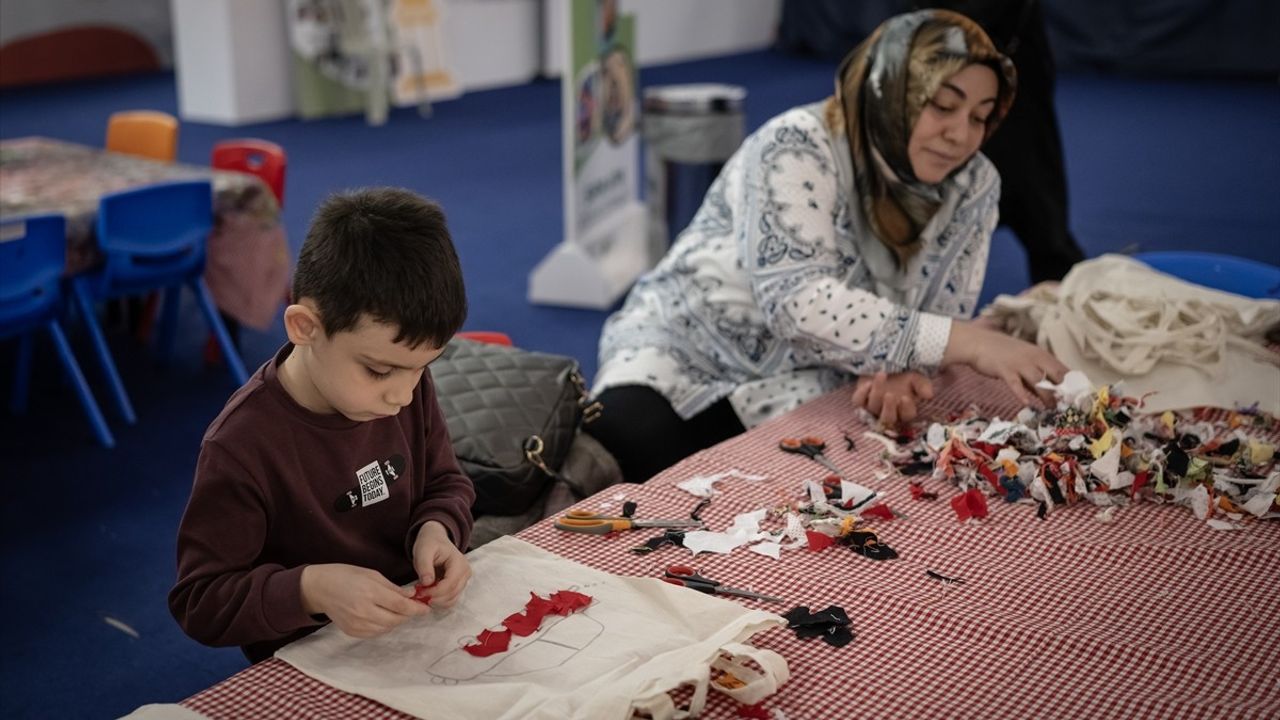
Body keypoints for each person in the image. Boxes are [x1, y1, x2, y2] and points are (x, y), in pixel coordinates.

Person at [586, 10, 1069, 485]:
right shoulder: (797, 144)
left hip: (825, 370)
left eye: (981, 117)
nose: (961, 134)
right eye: (942, 105)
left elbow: (941, 308)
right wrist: (969, 342)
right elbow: (799, 304)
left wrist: (902, 373)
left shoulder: (974, 184)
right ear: (892, 89)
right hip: (693, 346)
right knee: (631, 439)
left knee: (825, 471)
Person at [169, 187, 476, 663]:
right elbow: (201, 602)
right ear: (304, 328)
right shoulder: (241, 445)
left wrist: (438, 530)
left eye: (422, 366)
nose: (402, 394)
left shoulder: (405, 384)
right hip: (315, 658)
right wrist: (309, 589)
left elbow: (445, 481)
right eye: (378, 370)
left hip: (415, 635)